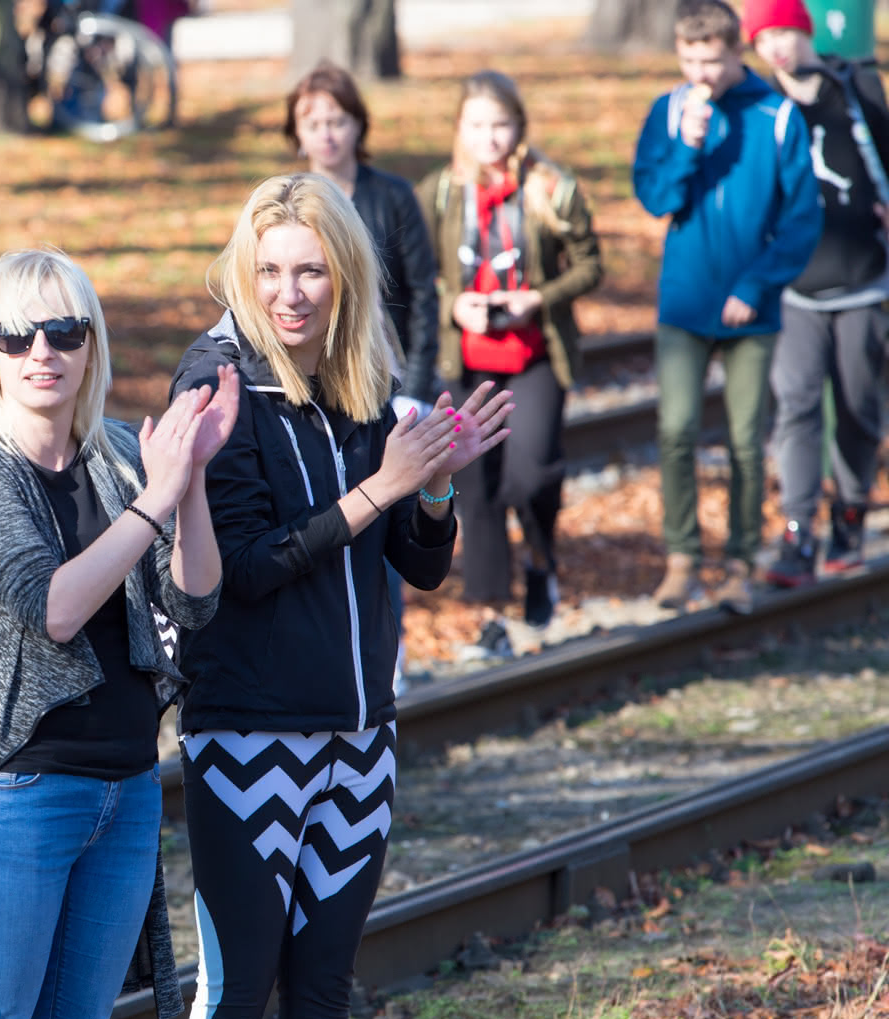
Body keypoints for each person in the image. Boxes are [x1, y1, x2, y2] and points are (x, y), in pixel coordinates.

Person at [168, 174, 513, 1019]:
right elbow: (243, 569)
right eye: (270, 271)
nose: (289, 293)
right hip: (250, 737)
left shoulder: (359, 375)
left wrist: (433, 483)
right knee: (239, 994)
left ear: (346, 275)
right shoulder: (218, 381)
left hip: (361, 738)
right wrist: (381, 487)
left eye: (311, 271)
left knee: (323, 991)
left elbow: (420, 565)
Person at [0, 248, 233, 1019]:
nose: (42, 352)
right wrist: (156, 498)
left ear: (91, 344)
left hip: (125, 787)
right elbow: (53, 607)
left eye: (64, 331)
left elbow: (195, 601)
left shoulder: (121, 455)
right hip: (18, 787)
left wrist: (193, 481)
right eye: (16, 335)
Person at [632, 0, 822, 614]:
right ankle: (682, 557)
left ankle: (741, 559)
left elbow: (802, 218)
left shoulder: (776, 115)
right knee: (676, 429)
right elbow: (656, 198)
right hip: (685, 301)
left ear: (737, 52)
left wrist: (756, 285)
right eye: (689, 61)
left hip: (750, 309)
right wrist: (686, 146)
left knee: (744, 438)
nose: (701, 74)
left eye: (712, 61)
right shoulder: (669, 110)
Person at [415, 70, 603, 628]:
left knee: (532, 472)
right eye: (476, 125)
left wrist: (538, 298)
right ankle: (490, 607)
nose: (489, 137)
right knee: (474, 485)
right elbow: (413, 275)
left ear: (519, 126)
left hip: (534, 355)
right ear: (459, 128)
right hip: (466, 358)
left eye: (500, 125)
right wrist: (454, 305)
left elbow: (591, 265)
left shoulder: (550, 186)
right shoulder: (439, 192)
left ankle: (542, 559)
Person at [284, 61, 441, 677]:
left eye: (338, 120)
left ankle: (384, 652)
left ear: (358, 125)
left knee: (386, 507)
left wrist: (417, 390)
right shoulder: (284, 204)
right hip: (307, 388)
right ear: (296, 132)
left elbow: (424, 295)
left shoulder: (391, 196)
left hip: (381, 385)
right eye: (313, 122)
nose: (326, 133)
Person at [746, 0, 889, 586]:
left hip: (863, 278)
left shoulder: (856, 87)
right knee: (797, 404)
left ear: (803, 29)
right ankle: (797, 530)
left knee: (858, 405)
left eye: (782, 32)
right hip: (794, 288)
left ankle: (850, 515)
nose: (775, 47)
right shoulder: (760, 105)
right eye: (762, 39)